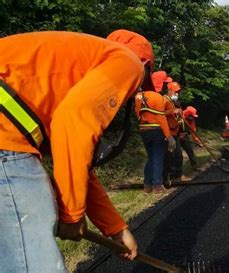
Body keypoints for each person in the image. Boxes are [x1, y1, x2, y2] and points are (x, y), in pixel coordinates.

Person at [0, 29, 153, 272]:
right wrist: (72, 214)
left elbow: (73, 162)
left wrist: (116, 229)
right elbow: (73, 123)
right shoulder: (128, 61)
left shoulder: (64, 72)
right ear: (145, 64)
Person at [136, 71, 176, 194]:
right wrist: (169, 137)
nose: (165, 86)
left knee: (151, 158)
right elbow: (161, 118)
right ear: (159, 84)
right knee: (158, 157)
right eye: (164, 83)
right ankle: (157, 186)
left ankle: (147, 186)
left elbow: (138, 114)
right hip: (156, 130)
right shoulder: (158, 97)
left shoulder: (139, 96)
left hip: (143, 129)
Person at [163, 81, 191, 182]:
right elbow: (159, 114)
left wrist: (182, 131)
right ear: (169, 91)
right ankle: (171, 176)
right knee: (171, 155)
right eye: (175, 91)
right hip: (168, 132)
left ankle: (177, 175)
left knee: (178, 155)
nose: (177, 93)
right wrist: (172, 111)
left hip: (176, 132)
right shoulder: (164, 100)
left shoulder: (176, 102)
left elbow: (179, 117)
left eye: (178, 91)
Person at [179, 106, 203, 171]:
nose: (192, 118)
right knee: (178, 155)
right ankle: (177, 172)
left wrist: (198, 142)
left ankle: (195, 166)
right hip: (176, 137)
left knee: (190, 151)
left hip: (185, 137)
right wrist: (178, 135)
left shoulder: (192, 119)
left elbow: (193, 131)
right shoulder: (179, 116)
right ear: (187, 114)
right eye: (191, 116)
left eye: (193, 116)